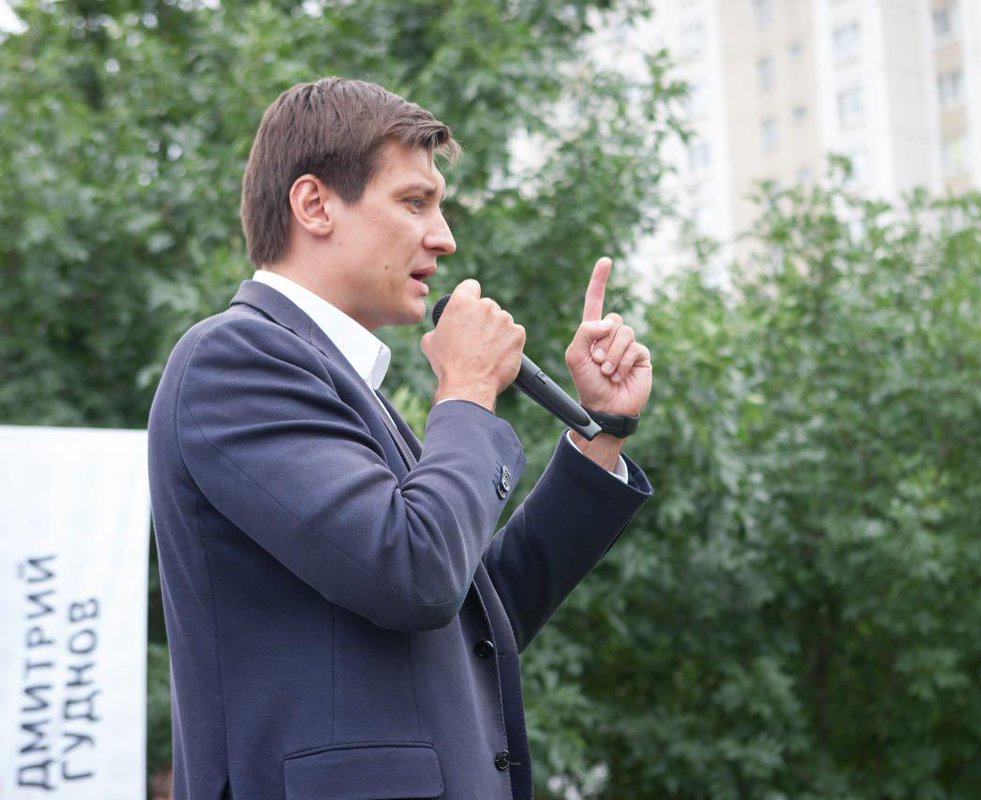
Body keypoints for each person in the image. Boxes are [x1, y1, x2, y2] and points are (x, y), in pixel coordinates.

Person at [148, 77, 653, 800]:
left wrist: (600, 432)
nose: (444, 237)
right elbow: (415, 574)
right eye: (415, 202)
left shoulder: (342, 386)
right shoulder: (233, 360)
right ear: (314, 204)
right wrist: (468, 387)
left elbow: (478, 618)